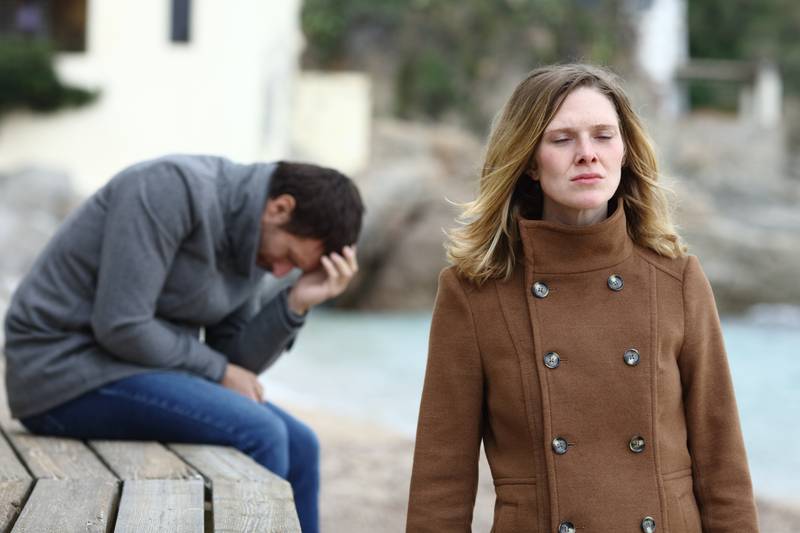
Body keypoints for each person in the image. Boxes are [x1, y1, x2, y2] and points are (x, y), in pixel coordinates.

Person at [406, 64, 758, 532]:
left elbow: (723, 466)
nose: (587, 154)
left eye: (603, 136)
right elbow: (441, 482)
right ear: (529, 161)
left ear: (625, 151)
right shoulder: (474, 294)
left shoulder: (677, 280)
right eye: (562, 139)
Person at [3, 154, 364, 533]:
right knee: (262, 432)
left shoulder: (254, 241)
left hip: (130, 369)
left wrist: (295, 304)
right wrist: (219, 371)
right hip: (57, 370)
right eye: (288, 257)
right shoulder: (168, 188)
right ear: (279, 208)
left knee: (302, 444)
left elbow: (236, 362)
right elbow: (123, 325)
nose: (279, 271)